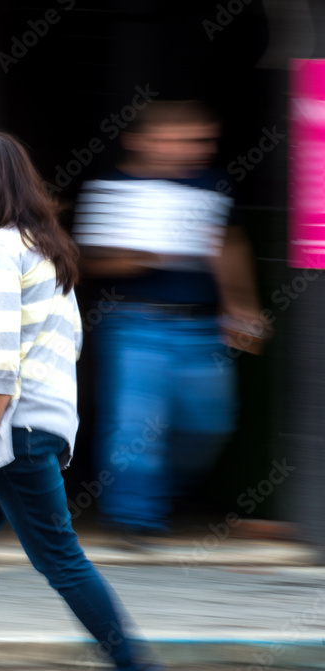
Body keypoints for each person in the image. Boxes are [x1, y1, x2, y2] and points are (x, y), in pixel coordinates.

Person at [0, 130, 171, 671]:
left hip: (14, 427)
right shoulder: (42, 245)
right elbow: (38, 342)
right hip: (31, 418)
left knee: (58, 557)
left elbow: (8, 354)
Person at [73, 101, 270, 540]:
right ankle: (134, 517)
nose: (190, 150)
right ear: (139, 141)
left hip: (202, 327)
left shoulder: (213, 184)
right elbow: (82, 263)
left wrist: (242, 305)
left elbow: (229, 245)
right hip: (133, 323)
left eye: (200, 141)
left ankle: (168, 494)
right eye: (177, 140)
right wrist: (135, 259)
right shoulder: (108, 186)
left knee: (209, 422)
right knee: (134, 422)